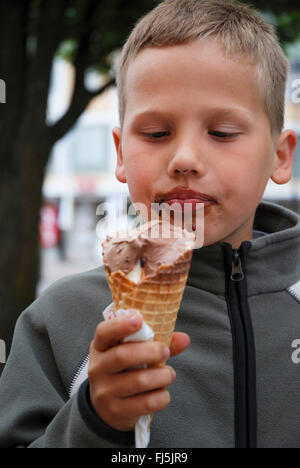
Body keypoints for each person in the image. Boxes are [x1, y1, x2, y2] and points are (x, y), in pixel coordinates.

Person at [0, 0, 299, 448]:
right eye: (156, 134)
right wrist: (93, 422)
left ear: (280, 155)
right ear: (120, 154)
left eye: (221, 132)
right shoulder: (58, 320)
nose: (184, 160)